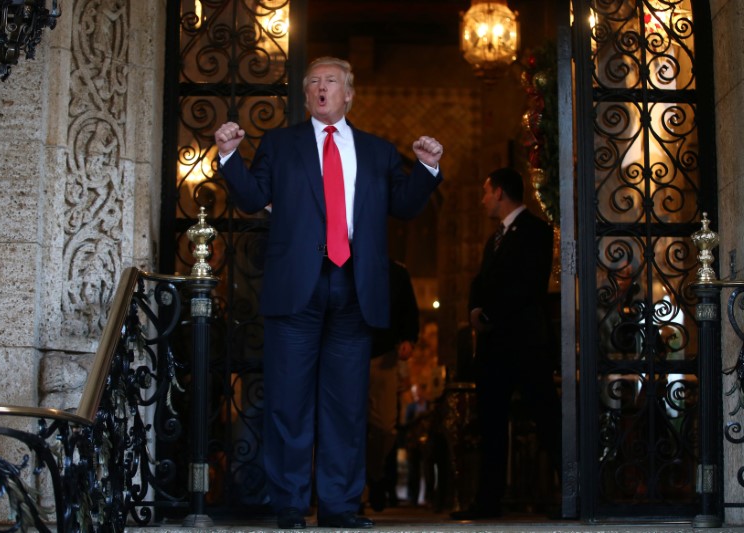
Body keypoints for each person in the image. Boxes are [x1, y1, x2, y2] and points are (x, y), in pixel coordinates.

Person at [214, 56, 443, 530]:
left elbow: (403, 204)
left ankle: (340, 506)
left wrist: (427, 167)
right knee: (288, 402)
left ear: (349, 93)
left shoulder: (378, 152)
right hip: (297, 285)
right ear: (305, 95)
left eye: (331, 82)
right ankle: (291, 505)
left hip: (355, 287)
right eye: (314, 83)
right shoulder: (280, 144)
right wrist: (229, 158)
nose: (322, 89)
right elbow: (254, 197)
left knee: (345, 404)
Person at [451, 167, 561, 520]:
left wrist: (490, 314)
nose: (482, 199)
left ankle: (571, 494)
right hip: (495, 349)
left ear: (500, 192)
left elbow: (527, 285)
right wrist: (473, 309)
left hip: (526, 344)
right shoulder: (494, 238)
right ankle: (488, 501)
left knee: (546, 418)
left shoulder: (536, 231)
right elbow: (481, 282)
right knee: (492, 425)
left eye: (486, 192)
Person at [365, 259, 419, 512]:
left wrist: (408, 338)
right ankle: (357, 490)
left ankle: (374, 474)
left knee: (385, 426)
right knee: (348, 425)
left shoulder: (396, 272)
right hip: (347, 353)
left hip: (383, 355)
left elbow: (408, 309)